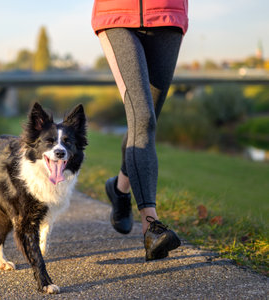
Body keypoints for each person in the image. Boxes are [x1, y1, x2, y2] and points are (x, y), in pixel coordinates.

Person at [91, 0, 189, 260]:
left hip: (168, 15)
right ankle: (151, 228)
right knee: (143, 118)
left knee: (146, 122)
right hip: (117, 15)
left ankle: (120, 188)